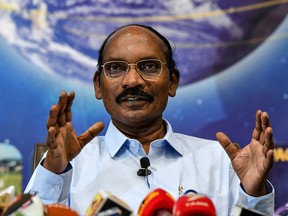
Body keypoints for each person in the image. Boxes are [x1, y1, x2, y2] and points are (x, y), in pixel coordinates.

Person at [25, 24, 275, 215]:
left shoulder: (218, 160)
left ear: (173, 82)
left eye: (148, 66)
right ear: (98, 86)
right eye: (115, 68)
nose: (132, 81)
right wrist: (53, 171)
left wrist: (254, 193)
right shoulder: (68, 164)